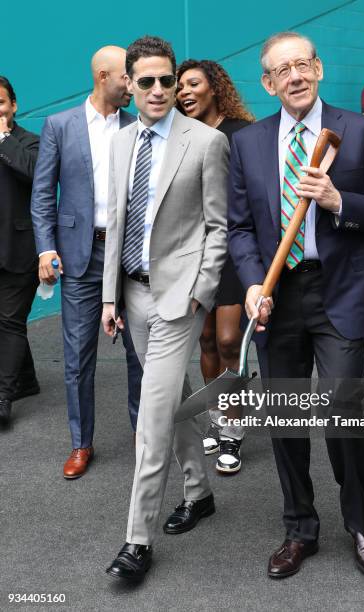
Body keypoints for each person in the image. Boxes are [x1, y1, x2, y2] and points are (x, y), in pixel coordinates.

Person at [228, 32, 364, 579]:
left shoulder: (358, 131)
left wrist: (337, 201)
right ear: (268, 82)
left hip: (340, 291)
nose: (295, 76)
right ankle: (299, 526)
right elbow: (239, 228)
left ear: (319, 69)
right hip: (278, 297)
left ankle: (359, 521)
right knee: (285, 419)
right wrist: (254, 283)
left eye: (303, 64)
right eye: (283, 70)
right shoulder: (249, 143)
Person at [102, 36, 229, 582]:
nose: (158, 90)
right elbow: (116, 226)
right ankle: (199, 492)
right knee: (172, 394)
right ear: (128, 84)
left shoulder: (204, 142)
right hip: (131, 293)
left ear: (176, 81)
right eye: (146, 80)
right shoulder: (120, 141)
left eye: (166, 79)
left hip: (180, 298)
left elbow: (219, 226)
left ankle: (137, 541)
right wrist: (110, 295)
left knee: (150, 419)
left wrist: (201, 290)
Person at [31, 46, 142, 478]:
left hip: (130, 254)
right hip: (81, 255)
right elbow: (43, 195)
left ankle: (142, 437)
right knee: (78, 357)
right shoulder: (60, 125)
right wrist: (45, 248)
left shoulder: (139, 126)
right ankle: (81, 443)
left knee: (140, 351)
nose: (133, 86)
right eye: (127, 78)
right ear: (103, 76)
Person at [176, 58, 254, 474]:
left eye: (194, 84)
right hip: (193, 251)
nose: (185, 92)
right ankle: (218, 419)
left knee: (228, 341)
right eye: (180, 87)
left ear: (214, 88)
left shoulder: (241, 134)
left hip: (235, 250)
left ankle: (235, 430)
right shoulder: (180, 136)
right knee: (205, 341)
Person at [0, 77, 40, 426]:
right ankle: (25, 379)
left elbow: (34, 174)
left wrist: (2, 139)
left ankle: (2, 397)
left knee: (10, 321)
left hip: (19, 248)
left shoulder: (30, 142)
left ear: (13, 105)